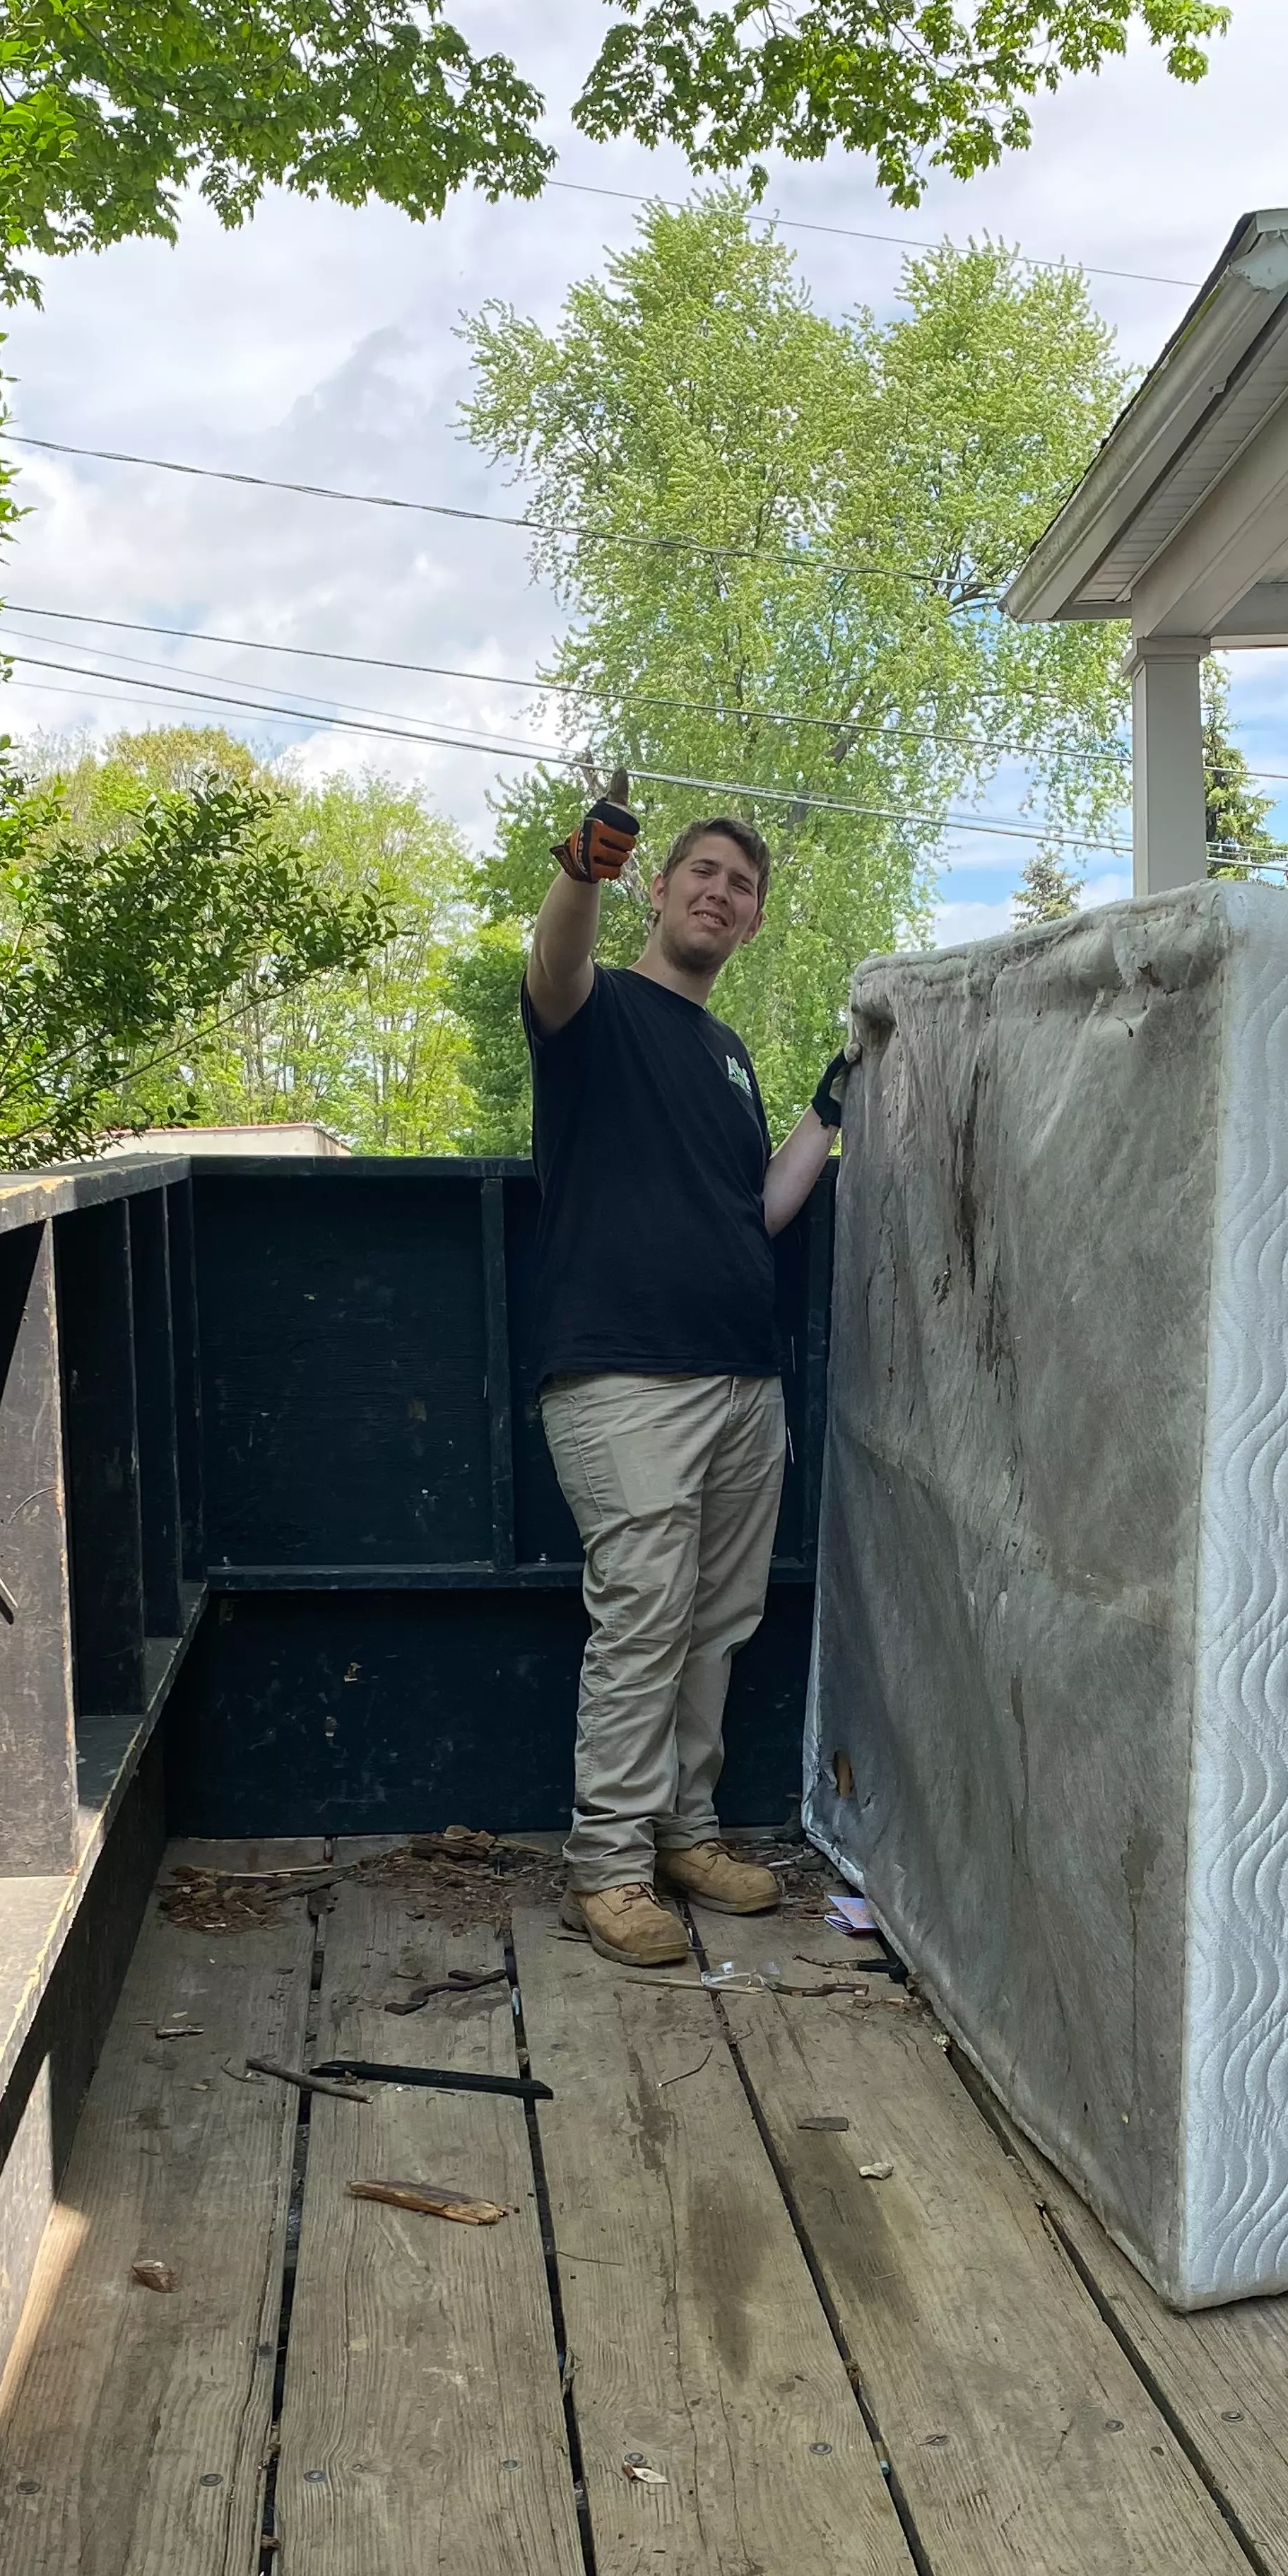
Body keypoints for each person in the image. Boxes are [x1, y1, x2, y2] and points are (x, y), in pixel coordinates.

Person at [524, 775, 850, 1968]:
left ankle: (684, 1831)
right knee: (645, 1619)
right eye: (702, 873)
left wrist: (826, 1111)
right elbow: (555, 963)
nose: (721, 894)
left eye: (744, 886)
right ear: (655, 887)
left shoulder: (727, 1052)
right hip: (622, 1378)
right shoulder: (595, 1010)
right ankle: (607, 1866)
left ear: (755, 921)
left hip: (739, 1382)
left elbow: (756, 1209)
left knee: (716, 1623)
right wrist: (577, 869)